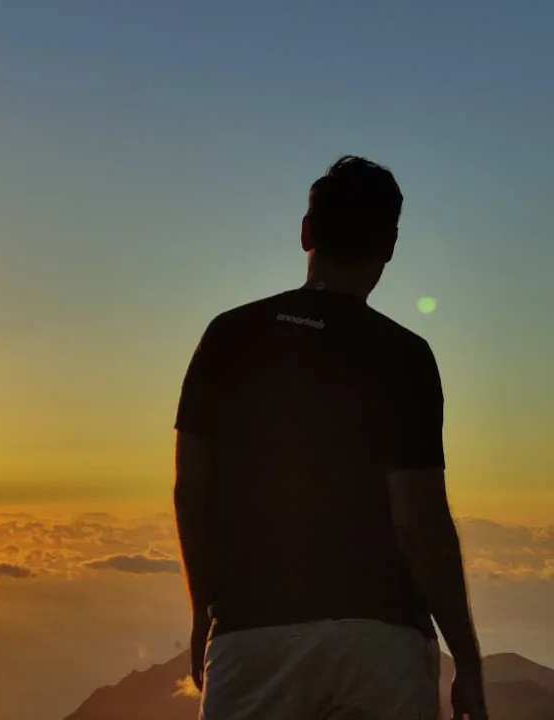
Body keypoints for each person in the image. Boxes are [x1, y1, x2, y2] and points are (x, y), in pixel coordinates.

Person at [173, 156, 487, 720]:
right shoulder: (404, 356)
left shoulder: (229, 336)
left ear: (306, 233)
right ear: (389, 245)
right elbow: (420, 519)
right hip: (382, 644)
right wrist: (466, 657)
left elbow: (190, 490)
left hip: (252, 634)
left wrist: (203, 615)